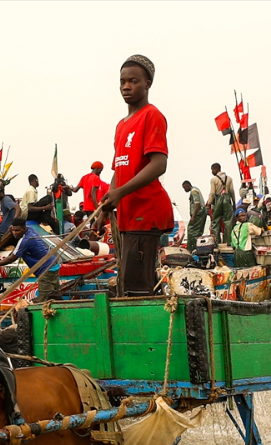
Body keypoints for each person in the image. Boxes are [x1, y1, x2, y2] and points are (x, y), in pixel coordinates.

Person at [98, 54, 174, 296]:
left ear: (147, 84)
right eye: (122, 82)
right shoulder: (121, 125)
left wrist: (120, 192)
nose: (126, 87)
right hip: (127, 217)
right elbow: (118, 169)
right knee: (128, 283)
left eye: (133, 81)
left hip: (146, 212)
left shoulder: (152, 116)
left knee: (135, 289)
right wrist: (106, 206)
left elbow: (159, 164)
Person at [0, 218, 61, 301]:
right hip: (54, 264)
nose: (15, 233)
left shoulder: (25, 241)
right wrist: (10, 231)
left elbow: (11, 259)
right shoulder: (30, 229)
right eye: (13, 230)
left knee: (44, 300)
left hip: (46, 270)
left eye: (17, 230)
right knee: (55, 295)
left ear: (23, 228)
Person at [206, 163, 235, 244]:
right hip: (227, 199)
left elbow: (212, 193)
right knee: (228, 222)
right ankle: (229, 242)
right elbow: (232, 191)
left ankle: (216, 242)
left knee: (215, 222)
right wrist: (234, 202)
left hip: (218, 200)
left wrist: (209, 204)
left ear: (215, 169)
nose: (212, 172)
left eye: (212, 170)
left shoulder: (213, 179)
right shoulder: (229, 179)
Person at [182, 180, 206, 251]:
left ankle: (192, 248)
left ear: (187, 186)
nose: (184, 190)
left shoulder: (193, 191)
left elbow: (197, 204)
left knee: (191, 230)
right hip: (201, 213)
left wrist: (193, 216)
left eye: (184, 188)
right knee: (198, 231)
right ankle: (197, 247)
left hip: (198, 214)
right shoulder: (196, 189)